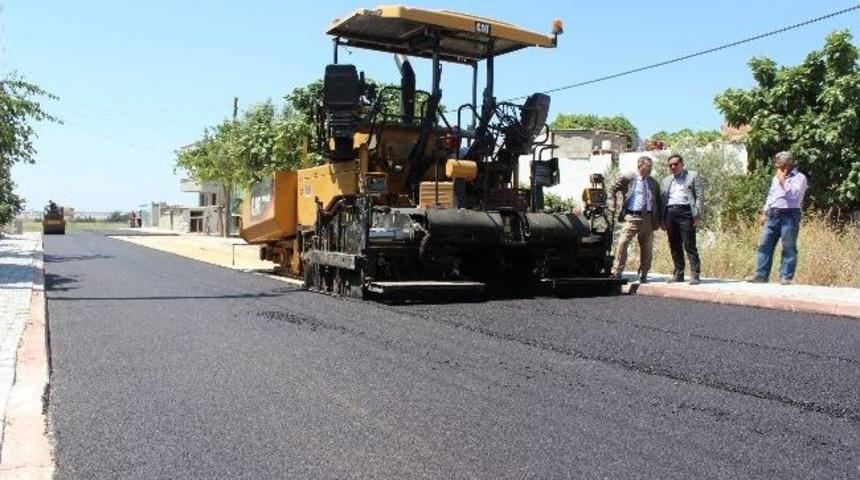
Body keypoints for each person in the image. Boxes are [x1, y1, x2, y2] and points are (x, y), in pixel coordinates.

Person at [747, 151, 808, 285]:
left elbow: (794, 195)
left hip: (790, 214)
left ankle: (786, 277)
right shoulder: (776, 177)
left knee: (788, 246)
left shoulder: (800, 178)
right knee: (764, 244)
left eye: (779, 165)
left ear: (787, 166)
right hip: (773, 213)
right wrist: (765, 211)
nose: (777, 168)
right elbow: (772, 195)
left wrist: (782, 181)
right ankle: (760, 276)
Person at [608, 156, 661, 283]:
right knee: (622, 243)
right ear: (639, 166)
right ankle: (617, 272)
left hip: (647, 217)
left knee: (647, 247)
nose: (648, 170)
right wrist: (612, 203)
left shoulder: (653, 182)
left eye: (650, 168)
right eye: (646, 167)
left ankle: (644, 274)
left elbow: (657, 201)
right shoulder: (628, 178)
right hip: (632, 216)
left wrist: (659, 220)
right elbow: (612, 189)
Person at [660, 154, 704, 285]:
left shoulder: (692, 176)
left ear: (682, 164)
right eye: (670, 165)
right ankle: (678, 273)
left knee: (689, 244)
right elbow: (663, 199)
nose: (673, 167)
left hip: (686, 212)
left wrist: (697, 215)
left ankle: (695, 274)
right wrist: (662, 219)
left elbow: (700, 197)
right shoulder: (666, 180)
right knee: (674, 244)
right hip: (670, 212)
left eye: (675, 164)